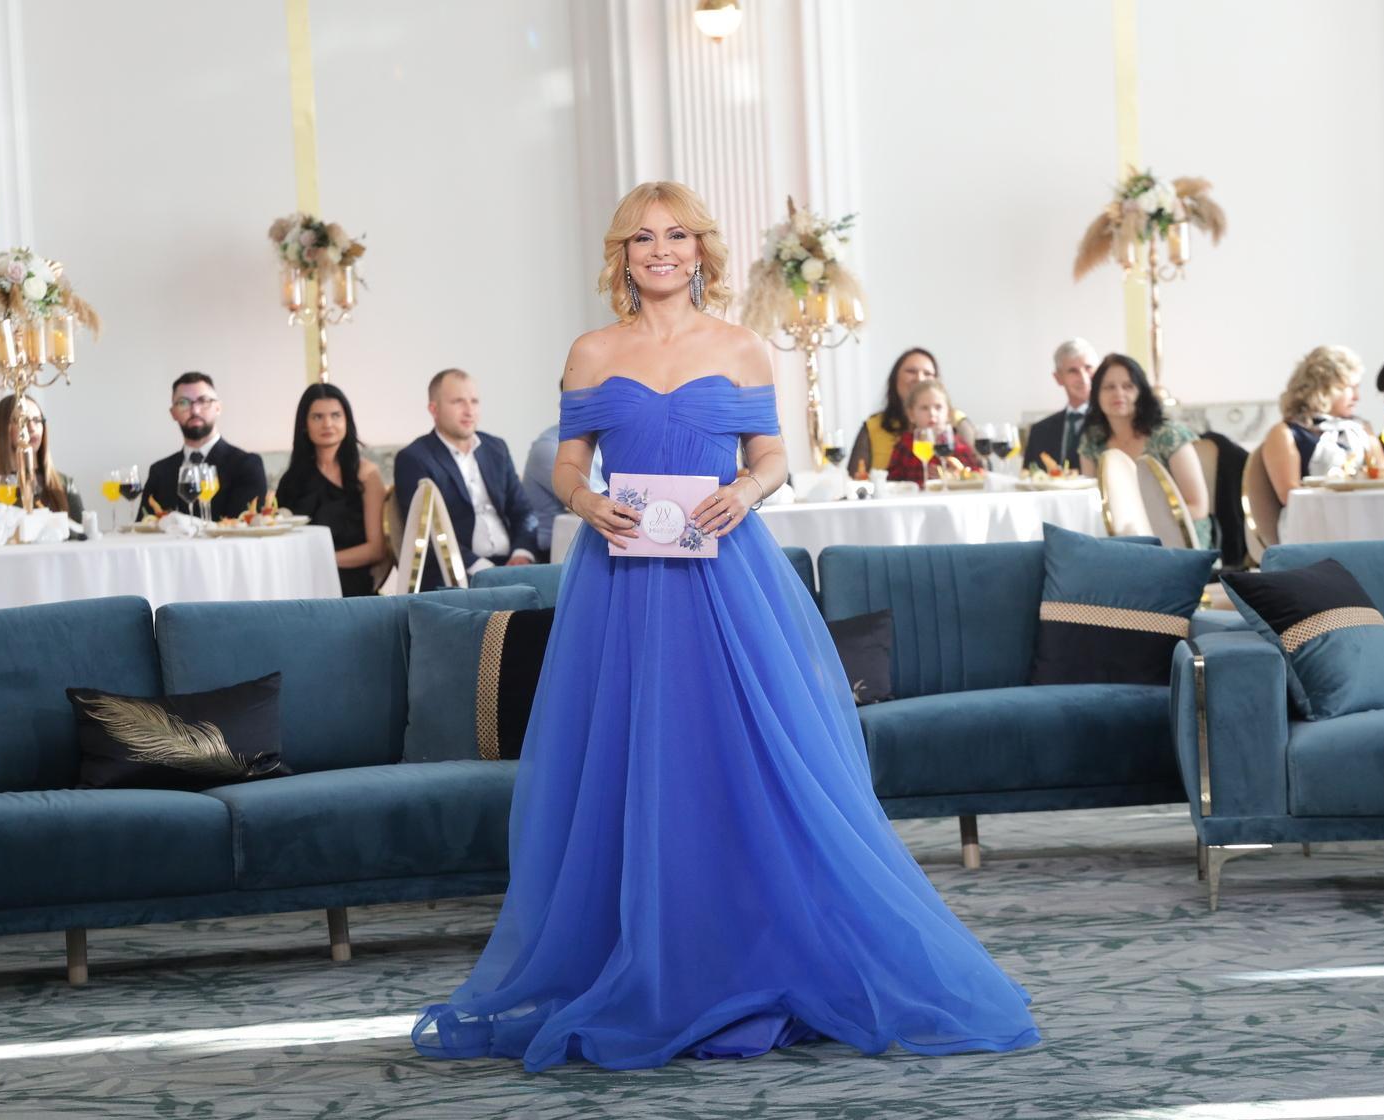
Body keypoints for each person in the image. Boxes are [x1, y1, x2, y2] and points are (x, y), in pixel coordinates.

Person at [411, 180, 1038, 1072]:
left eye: (676, 235)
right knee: (632, 761)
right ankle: (646, 960)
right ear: (622, 256)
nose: (661, 250)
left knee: (743, 761)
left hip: (724, 574)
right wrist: (588, 504)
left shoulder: (742, 347)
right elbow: (568, 467)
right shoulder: (592, 351)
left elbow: (773, 457)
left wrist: (744, 492)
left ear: (701, 250)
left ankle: (755, 951)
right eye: (642, 238)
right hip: (624, 582)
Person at [393, 369, 538, 586]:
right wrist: (487, 571)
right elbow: (429, 534)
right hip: (457, 573)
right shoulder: (414, 459)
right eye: (458, 402)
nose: (469, 411)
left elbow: (523, 511)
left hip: (512, 564)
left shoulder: (496, 448)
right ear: (434, 409)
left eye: (474, 401)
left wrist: (522, 554)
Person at [1078, 353, 1213, 547]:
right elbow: (1092, 503)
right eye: (1109, 387)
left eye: (1128, 386)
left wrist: (1142, 523)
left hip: (1180, 542)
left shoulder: (1170, 435)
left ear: (1141, 392)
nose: (1118, 393)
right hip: (1120, 540)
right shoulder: (1092, 441)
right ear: (1096, 394)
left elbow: (1198, 507)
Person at [274, 383, 386, 597]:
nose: (327, 424)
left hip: (350, 586)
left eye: (336, 415)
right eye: (317, 417)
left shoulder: (367, 474)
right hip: (298, 582)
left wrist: (321, 561)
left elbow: (377, 549)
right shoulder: (292, 479)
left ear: (347, 421)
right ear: (305, 424)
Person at [1261, 345, 1381, 507]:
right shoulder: (1285, 433)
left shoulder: (1361, 429)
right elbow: (1290, 495)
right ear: (1325, 388)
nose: (1357, 397)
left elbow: (1383, 478)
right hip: (1316, 517)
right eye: (1351, 388)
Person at [138, 372, 268, 520]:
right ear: (173, 413)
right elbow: (143, 526)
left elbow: (245, 524)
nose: (195, 410)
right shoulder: (159, 471)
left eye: (203, 401)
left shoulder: (246, 465)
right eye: (183, 403)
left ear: (218, 408)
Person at [847, 347, 976, 478]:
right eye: (911, 371)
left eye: (927, 373)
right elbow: (855, 478)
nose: (920, 378)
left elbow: (977, 470)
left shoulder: (957, 423)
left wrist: (957, 475)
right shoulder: (876, 427)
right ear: (895, 378)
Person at [522, 378, 606, 563]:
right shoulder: (549, 447)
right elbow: (595, 500)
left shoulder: (603, 443)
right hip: (554, 553)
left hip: (589, 542)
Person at [0, 394, 84, 526]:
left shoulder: (65, 485)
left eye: (37, 420)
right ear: (3, 429)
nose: (32, 428)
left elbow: (83, 533)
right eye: (23, 421)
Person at [883, 379, 982, 487]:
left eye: (938, 407)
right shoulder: (904, 446)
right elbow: (891, 481)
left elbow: (978, 477)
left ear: (948, 414)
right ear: (911, 415)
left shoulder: (957, 446)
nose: (932, 413)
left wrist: (956, 475)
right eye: (924, 408)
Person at [1022, 338, 1097, 471]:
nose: (1083, 378)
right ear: (1058, 378)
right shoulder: (1039, 431)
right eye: (1073, 371)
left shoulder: (1111, 424)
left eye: (1088, 368)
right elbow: (1028, 477)